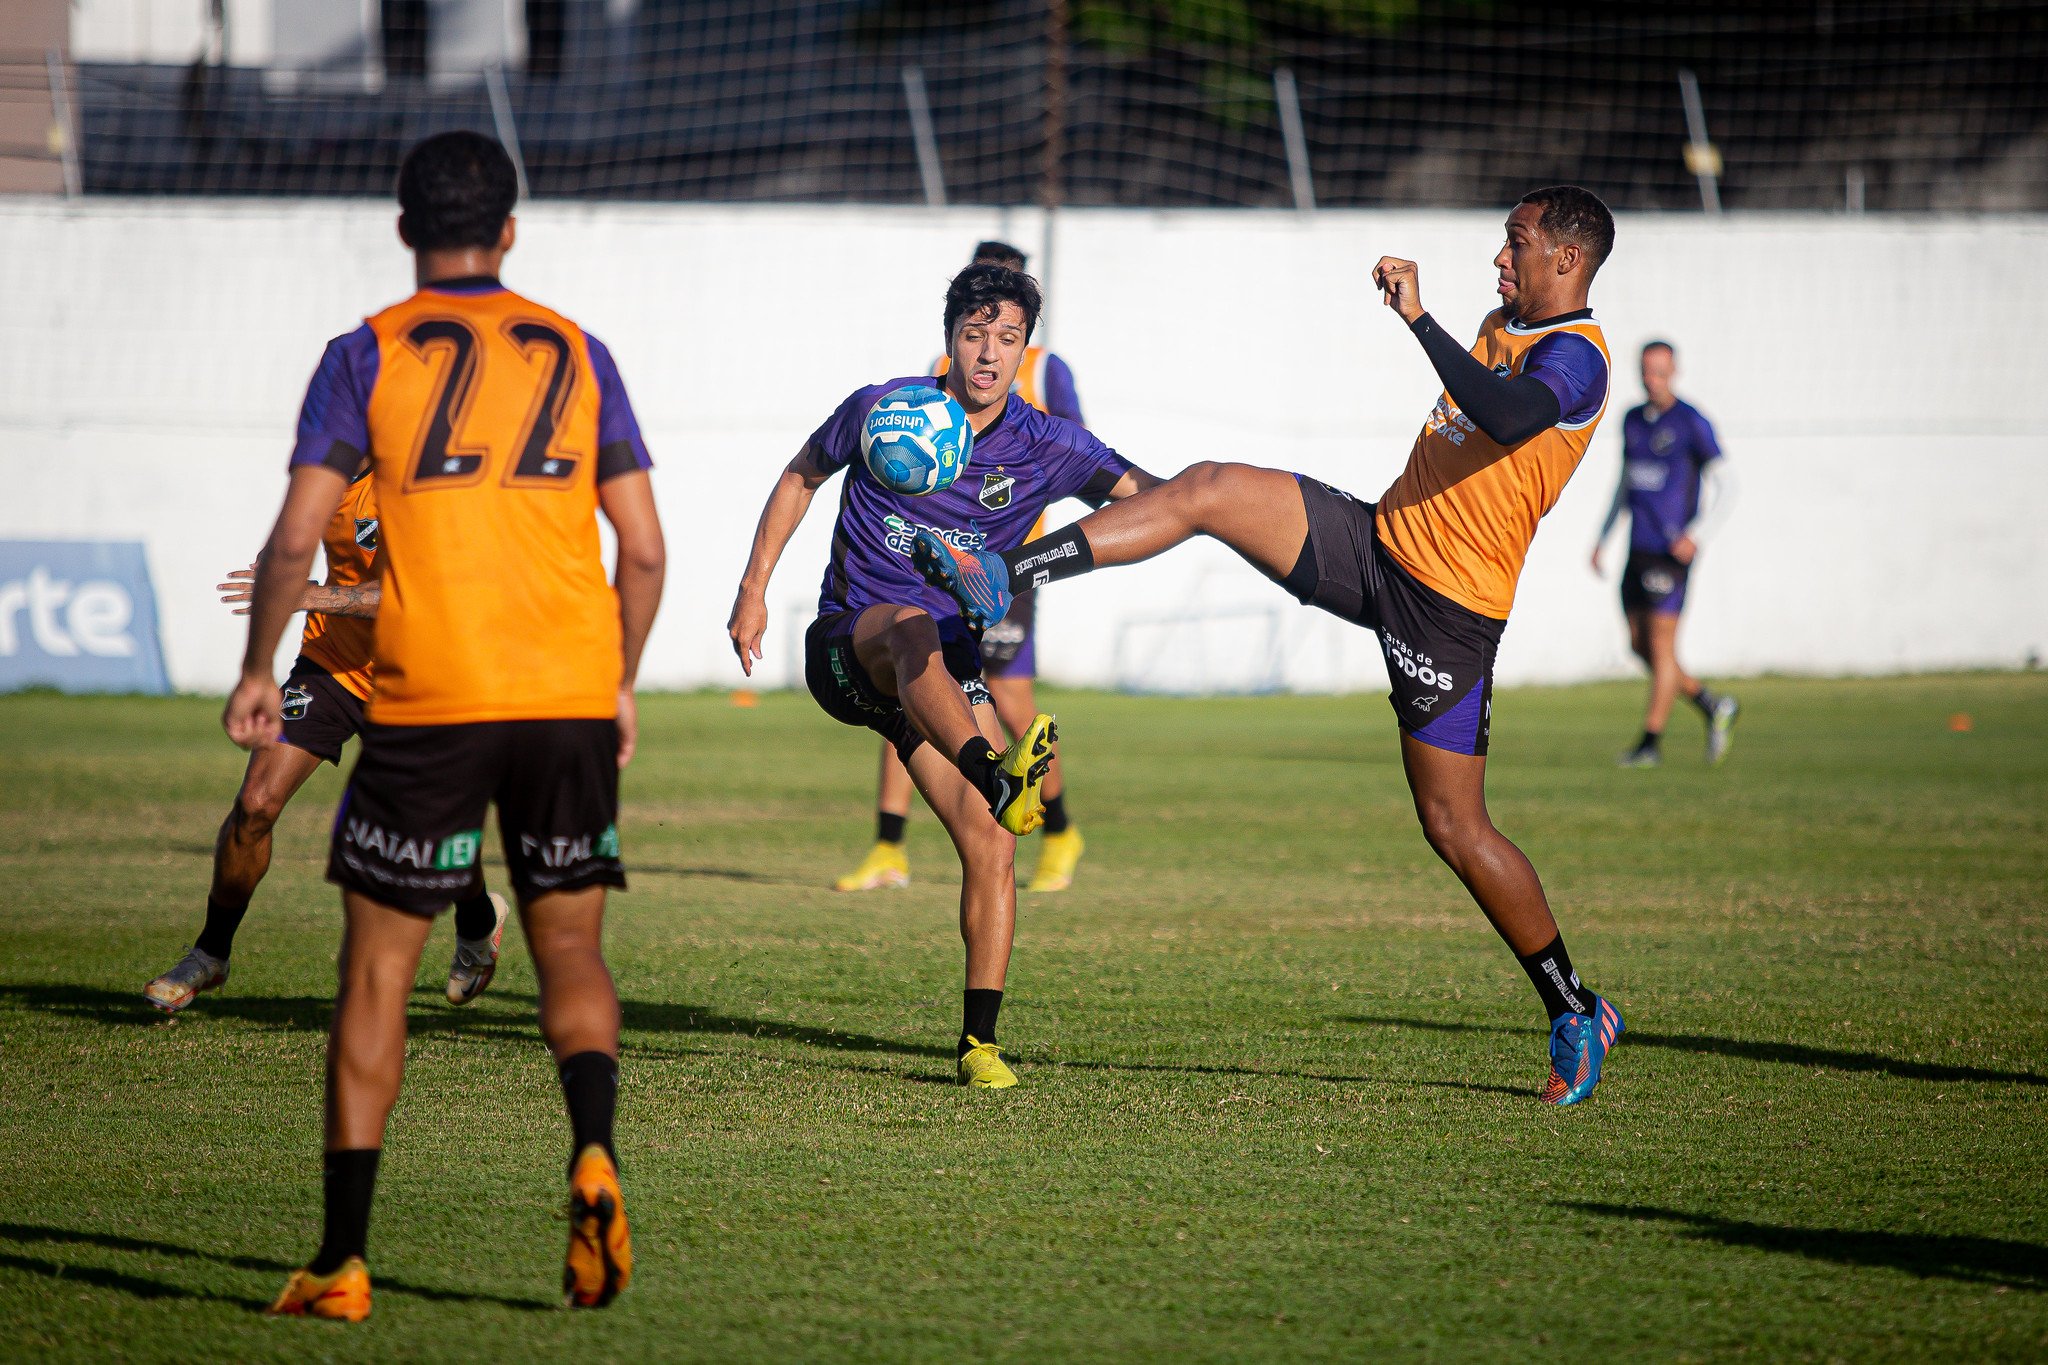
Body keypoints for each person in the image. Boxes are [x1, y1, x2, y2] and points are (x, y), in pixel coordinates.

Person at [914, 188, 1627, 1106]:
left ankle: (1574, 1006)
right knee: (1208, 488)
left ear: (1566, 259)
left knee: (1454, 826)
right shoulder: (1506, 318)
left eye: (1517, 244)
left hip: (1447, 613)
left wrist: (1419, 319)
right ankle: (1006, 572)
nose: (1501, 258)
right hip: (1375, 544)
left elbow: (1509, 415)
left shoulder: (1579, 358)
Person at [225, 130, 665, 1319]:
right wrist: (616, 680)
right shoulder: (581, 354)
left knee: (376, 974)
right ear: (510, 230)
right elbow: (645, 549)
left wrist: (259, 665)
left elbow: (288, 539)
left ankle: (343, 1262)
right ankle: (591, 1154)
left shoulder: (362, 354)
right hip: (565, 690)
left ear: (406, 229)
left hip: (427, 695)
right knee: (570, 952)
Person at [727, 263, 1156, 1088]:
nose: (988, 354)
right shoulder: (883, 408)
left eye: (1007, 338)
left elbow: (1153, 503)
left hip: (938, 681)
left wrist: (1027, 566)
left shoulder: (1049, 444)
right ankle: (994, 770)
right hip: (850, 649)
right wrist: (752, 590)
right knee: (913, 622)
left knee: (993, 843)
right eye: (974, 334)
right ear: (949, 336)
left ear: (1026, 347)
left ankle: (978, 1044)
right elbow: (799, 476)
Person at [143, 477, 512, 1014]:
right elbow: (286, 549)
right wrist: (262, 653)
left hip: (419, 677)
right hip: (330, 669)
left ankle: (478, 921)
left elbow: (406, 592)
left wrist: (303, 594)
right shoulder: (327, 475)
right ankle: (210, 953)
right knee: (255, 804)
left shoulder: (421, 482)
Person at [837, 240, 1089, 895]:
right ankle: (889, 847)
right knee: (908, 690)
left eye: (1005, 313)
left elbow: (1071, 455)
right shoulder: (938, 377)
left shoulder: (1045, 372)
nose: (988, 339)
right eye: (976, 315)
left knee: (1007, 700)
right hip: (929, 563)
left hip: (1006, 566)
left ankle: (1060, 831)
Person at [1591, 340, 1739, 767]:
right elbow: (1625, 483)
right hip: (1637, 549)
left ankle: (1650, 744)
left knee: (1661, 646)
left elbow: (1729, 484)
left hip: (1670, 556)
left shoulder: (1691, 422)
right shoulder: (1632, 420)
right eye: (1646, 371)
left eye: (1660, 371)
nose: (1652, 379)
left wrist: (1699, 534)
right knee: (1641, 647)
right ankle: (1711, 705)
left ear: (1674, 372)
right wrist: (1603, 537)